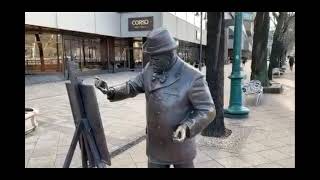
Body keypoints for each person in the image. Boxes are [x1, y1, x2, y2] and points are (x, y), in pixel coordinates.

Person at [94, 28, 216, 168]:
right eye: (150, 56)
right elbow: (132, 86)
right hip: (156, 144)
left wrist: (188, 126)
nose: (151, 61)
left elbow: (208, 109)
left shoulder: (193, 77)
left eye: (155, 57)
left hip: (180, 145)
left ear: (170, 54)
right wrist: (111, 91)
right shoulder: (150, 68)